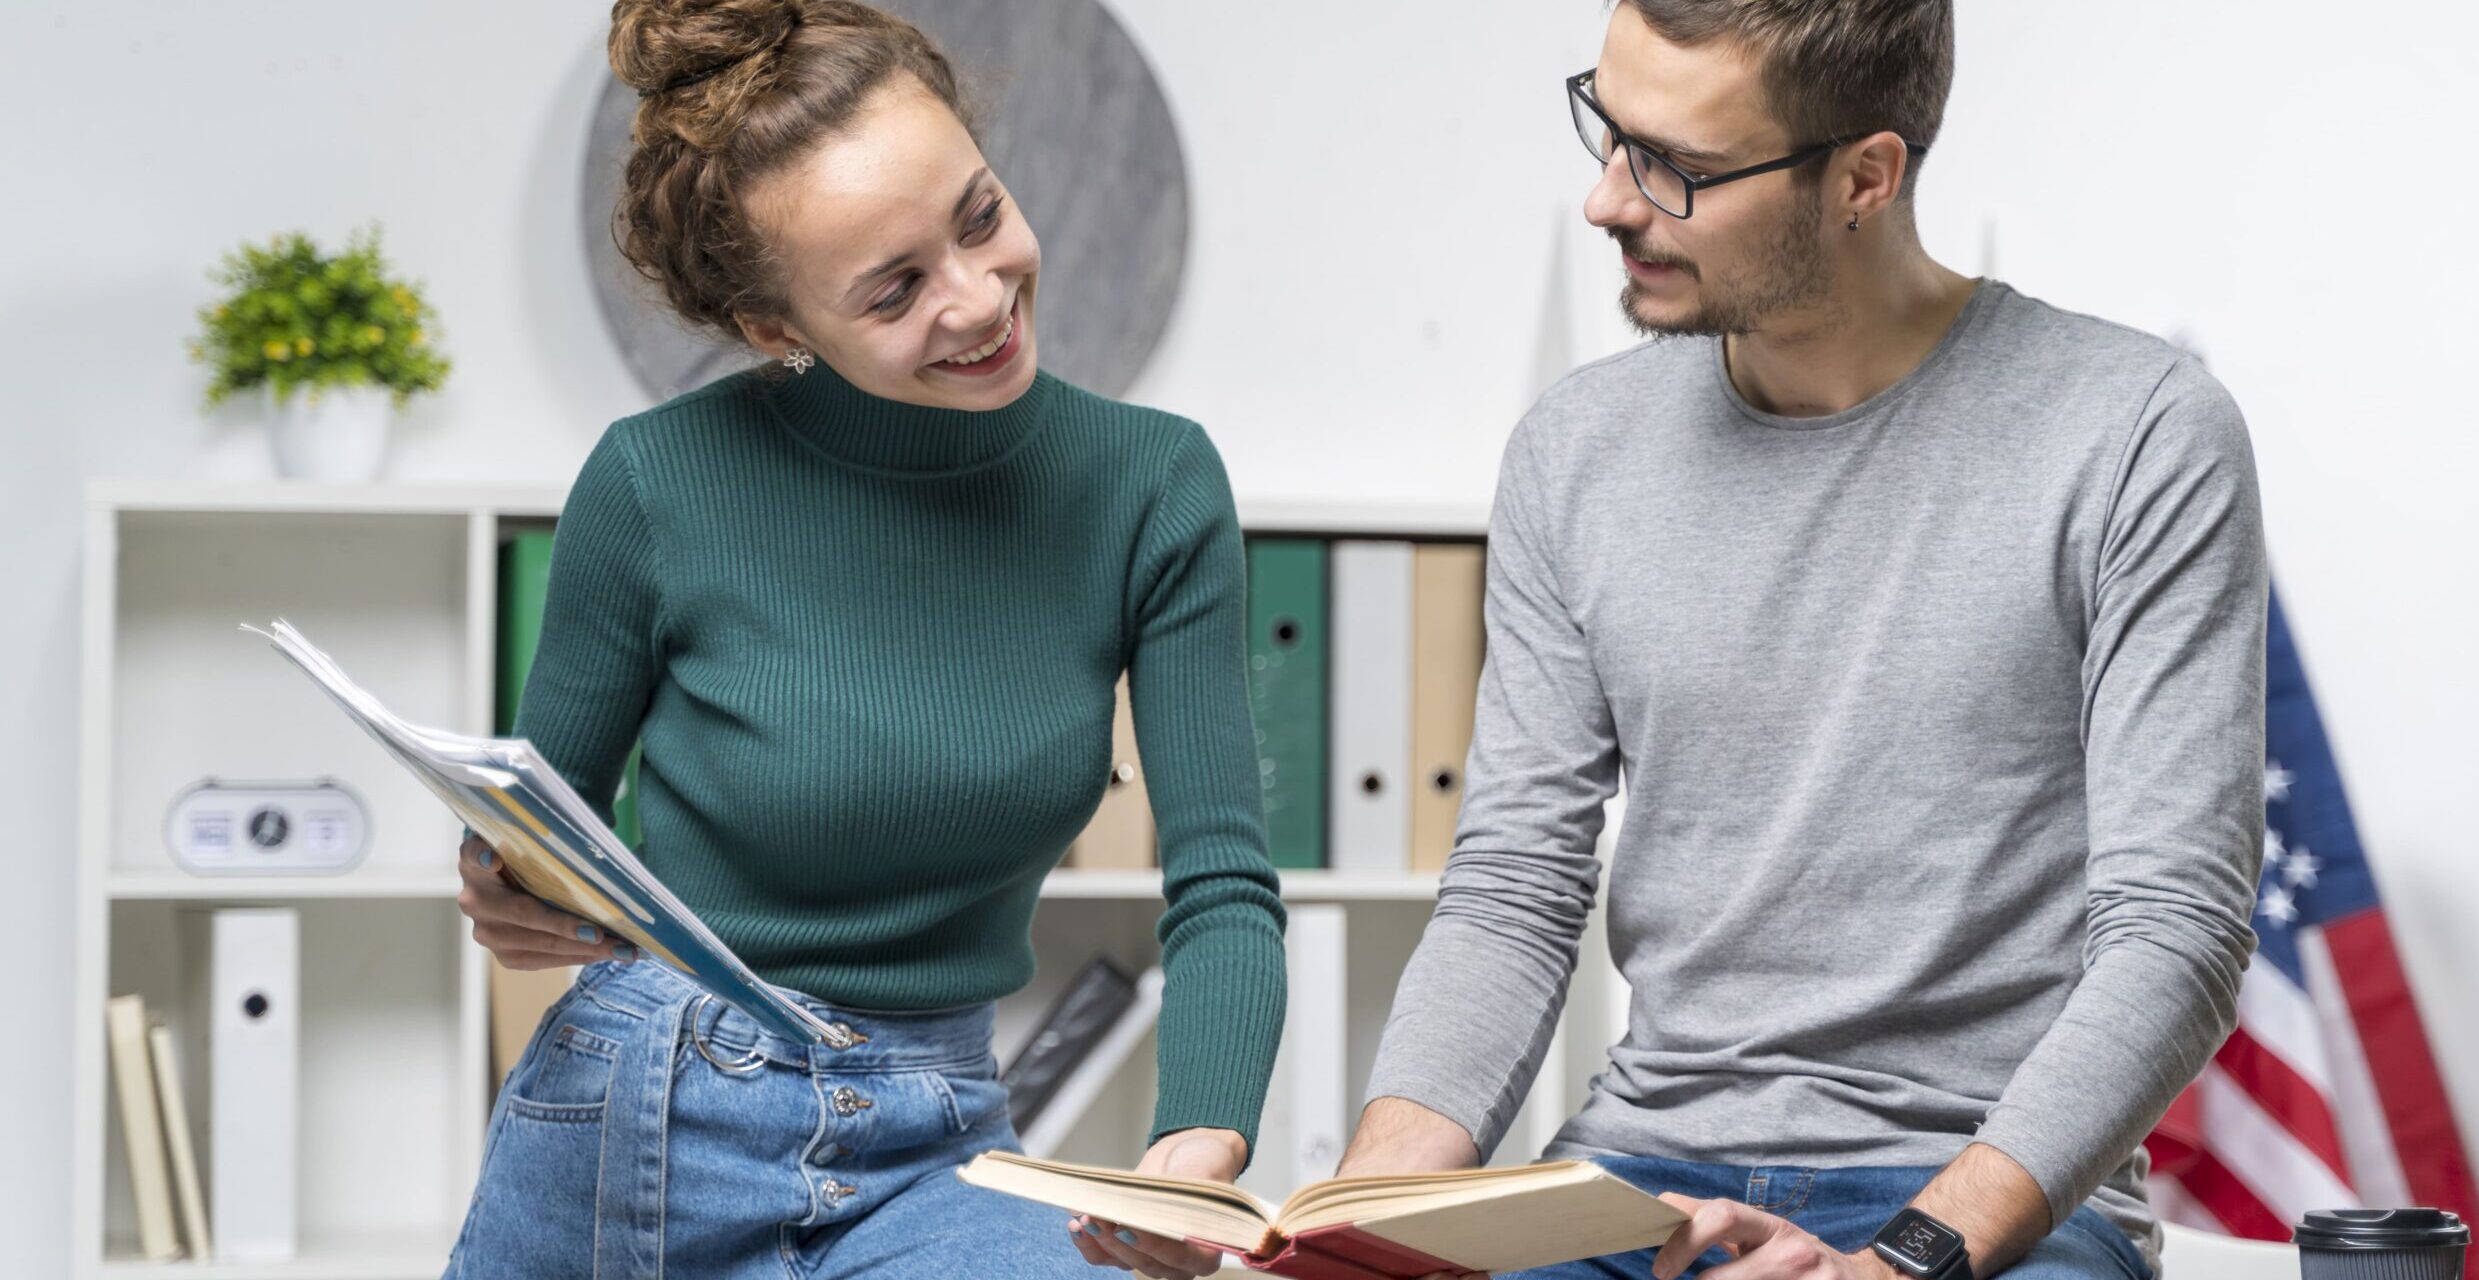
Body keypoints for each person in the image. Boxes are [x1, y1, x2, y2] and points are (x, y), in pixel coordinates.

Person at [1339, 3, 2266, 1279]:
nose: (1609, 201)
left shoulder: (2138, 435)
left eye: (1677, 167)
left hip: (1985, 1195)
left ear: (1864, 178)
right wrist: (1359, 1215)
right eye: (1608, 133)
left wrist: (1905, 1257)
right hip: (1637, 1172)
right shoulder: (1575, 452)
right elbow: (1515, 885)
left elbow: (2178, 927)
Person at [442, 3, 1284, 1277]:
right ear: (781, 330)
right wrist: (504, 884)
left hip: (935, 1132)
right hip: (646, 1108)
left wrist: (1195, 1147)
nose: (978, 298)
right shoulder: (657, 481)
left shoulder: (1152, 488)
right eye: (893, 289)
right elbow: (536, 823)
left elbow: (1220, 879)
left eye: (981, 215)